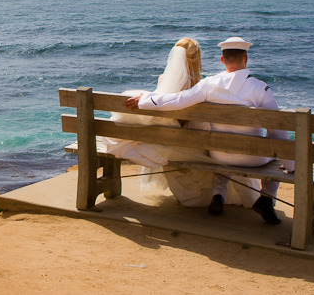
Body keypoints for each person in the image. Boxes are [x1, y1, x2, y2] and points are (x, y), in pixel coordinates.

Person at [124, 36, 295, 224]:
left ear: (222, 60)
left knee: (223, 148)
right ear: (246, 58)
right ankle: (266, 198)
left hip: (219, 155)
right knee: (277, 152)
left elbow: (178, 100)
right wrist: (291, 167)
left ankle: (218, 195)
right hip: (253, 159)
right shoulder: (261, 89)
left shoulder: (209, 85)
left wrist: (146, 100)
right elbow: (278, 133)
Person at [103, 37, 261, 209]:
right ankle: (221, 195)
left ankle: (195, 195)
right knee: (221, 150)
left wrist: (146, 98)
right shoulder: (204, 84)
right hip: (194, 146)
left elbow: (168, 103)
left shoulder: (164, 80)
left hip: (171, 144)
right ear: (197, 58)